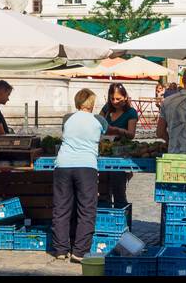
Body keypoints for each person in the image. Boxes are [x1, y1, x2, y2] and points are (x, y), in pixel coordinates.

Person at [49, 88, 105, 263]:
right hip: (86, 166)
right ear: (92, 103)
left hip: (63, 165)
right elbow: (105, 133)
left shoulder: (67, 118)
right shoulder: (100, 120)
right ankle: (79, 252)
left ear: (77, 102)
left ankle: (60, 250)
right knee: (86, 210)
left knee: (61, 208)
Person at [98, 84, 138, 208]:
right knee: (102, 192)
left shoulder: (131, 113)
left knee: (118, 191)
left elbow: (131, 134)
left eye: (118, 99)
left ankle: (120, 217)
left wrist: (117, 130)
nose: (115, 102)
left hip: (120, 157)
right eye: (112, 99)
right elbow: (97, 123)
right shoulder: (106, 109)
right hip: (104, 154)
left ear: (125, 97)